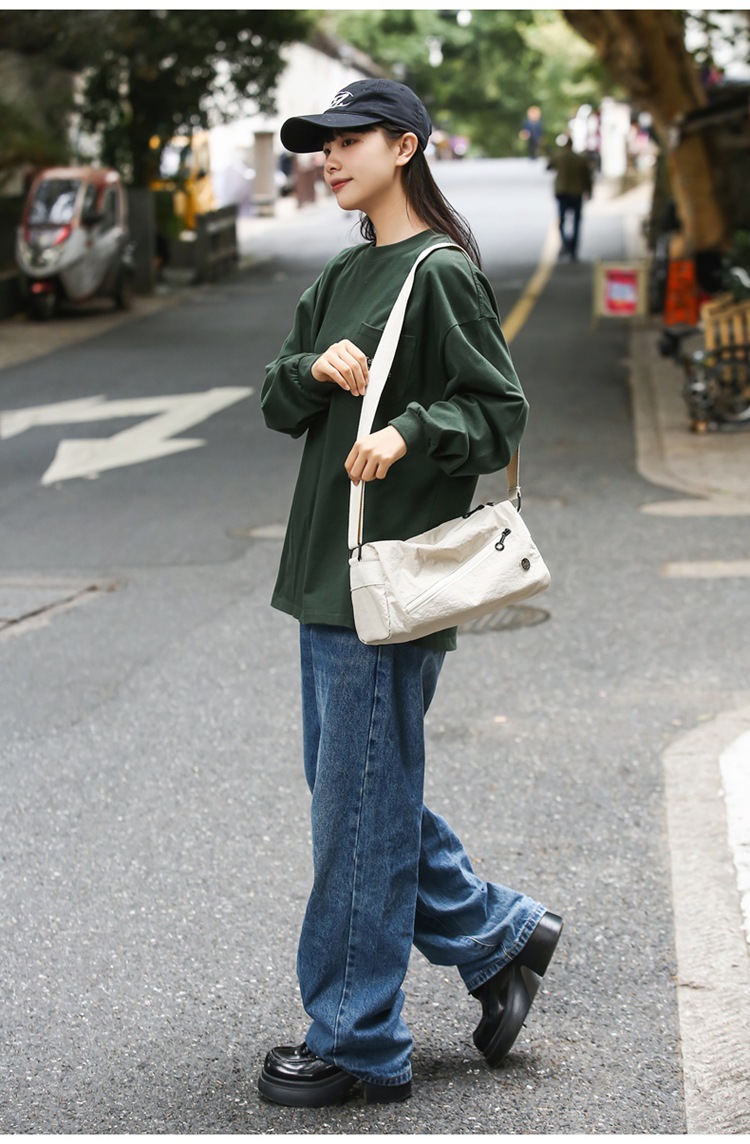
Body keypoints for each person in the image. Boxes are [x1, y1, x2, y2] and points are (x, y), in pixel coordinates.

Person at [258, 77, 563, 1110]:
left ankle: (359, 1039)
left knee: (358, 806)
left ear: (405, 146)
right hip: (324, 575)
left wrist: (409, 431)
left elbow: (499, 413)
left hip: (390, 581)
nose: (330, 157)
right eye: (322, 143)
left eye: (350, 140)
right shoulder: (345, 272)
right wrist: (315, 369)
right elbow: (275, 399)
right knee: (359, 795)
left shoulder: (440, 275)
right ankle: (498, 934)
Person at [547, 136, 593, 261]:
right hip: (576, 193)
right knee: (576, 222)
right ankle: (573, 249)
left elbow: (549, 166)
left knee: (562, 221)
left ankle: (566, 244)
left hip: (562, 192)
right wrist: (589, 192)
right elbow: (587, 177)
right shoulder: (579, 159)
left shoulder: (559, 157)